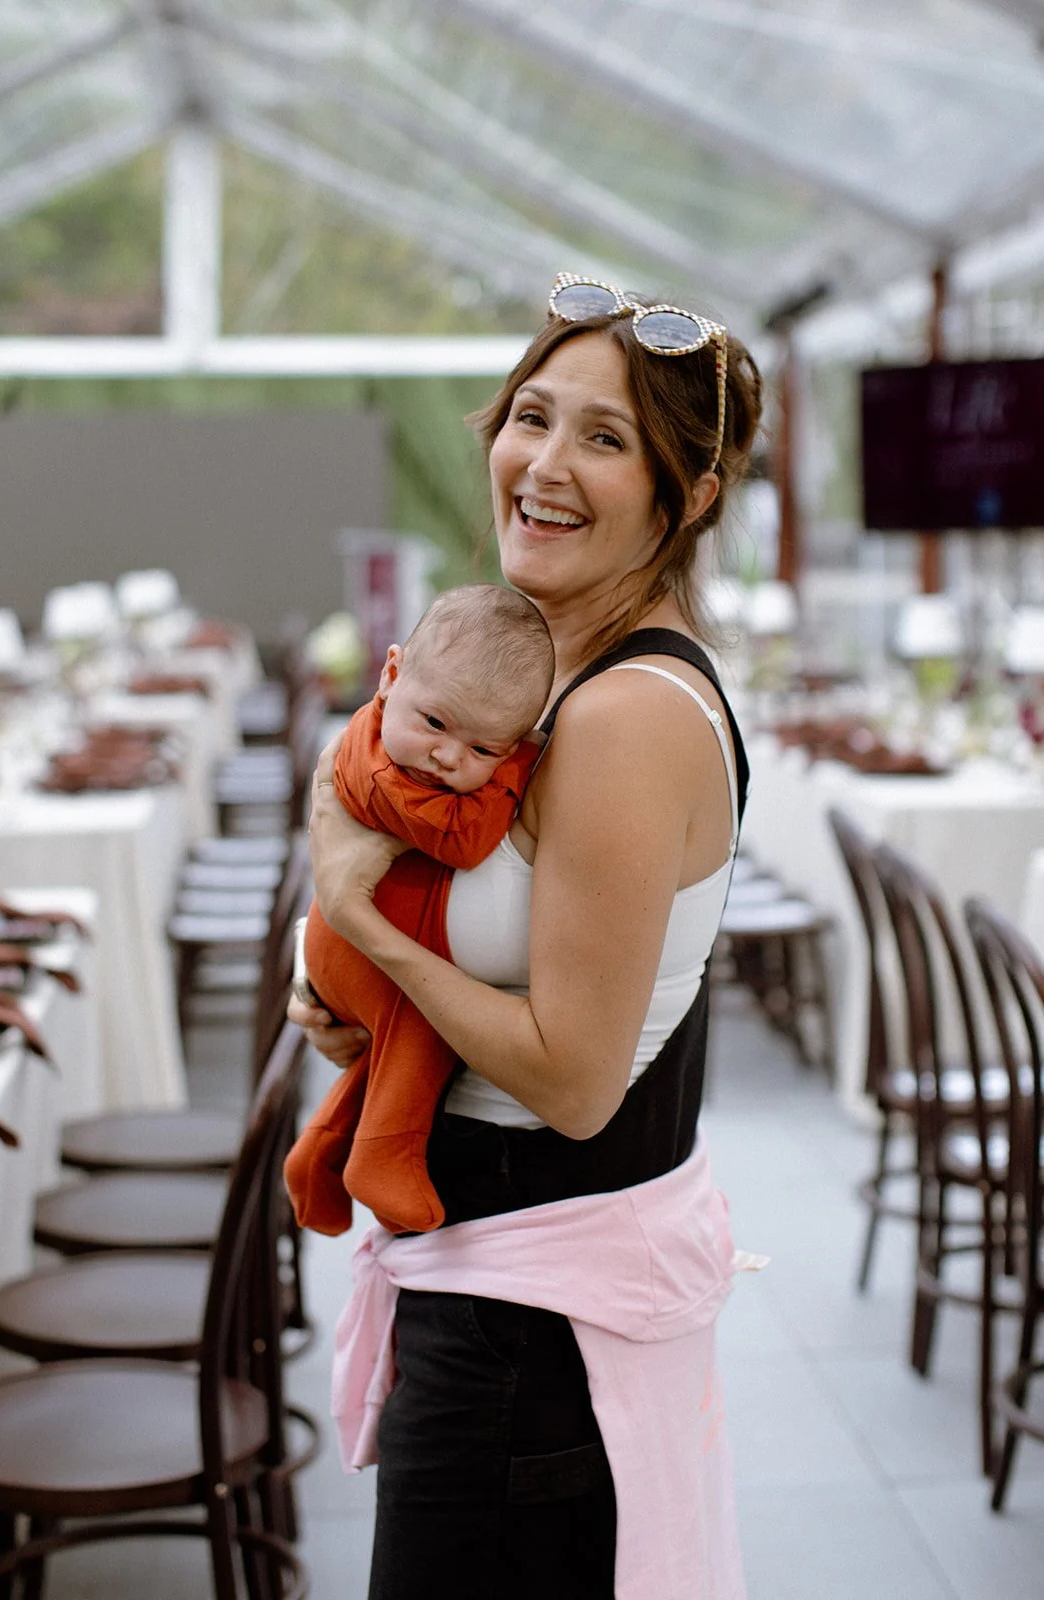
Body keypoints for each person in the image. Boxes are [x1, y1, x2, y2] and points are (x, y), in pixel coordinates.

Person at [290, 270, 763, 1600]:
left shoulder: (623, 716)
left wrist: (362, 929)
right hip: (494, 1297)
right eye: (531, 418)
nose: (544, 466)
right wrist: (361, 1010)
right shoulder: (545, 667)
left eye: (605, 440)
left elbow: (568, 1078)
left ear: (689, 496)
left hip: (527, 1342)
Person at [284, 583, 554, 1237]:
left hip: (357, 935)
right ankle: (383, 1159)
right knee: (426, 1021)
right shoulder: (382, 772)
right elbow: (464, 842)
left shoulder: (397, 739)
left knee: (388, 1054)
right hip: (352, 947)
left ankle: (319, 1150)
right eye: (435, 723)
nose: (447, 756)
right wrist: (515, 767)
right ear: (391, 672)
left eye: (484, 749)